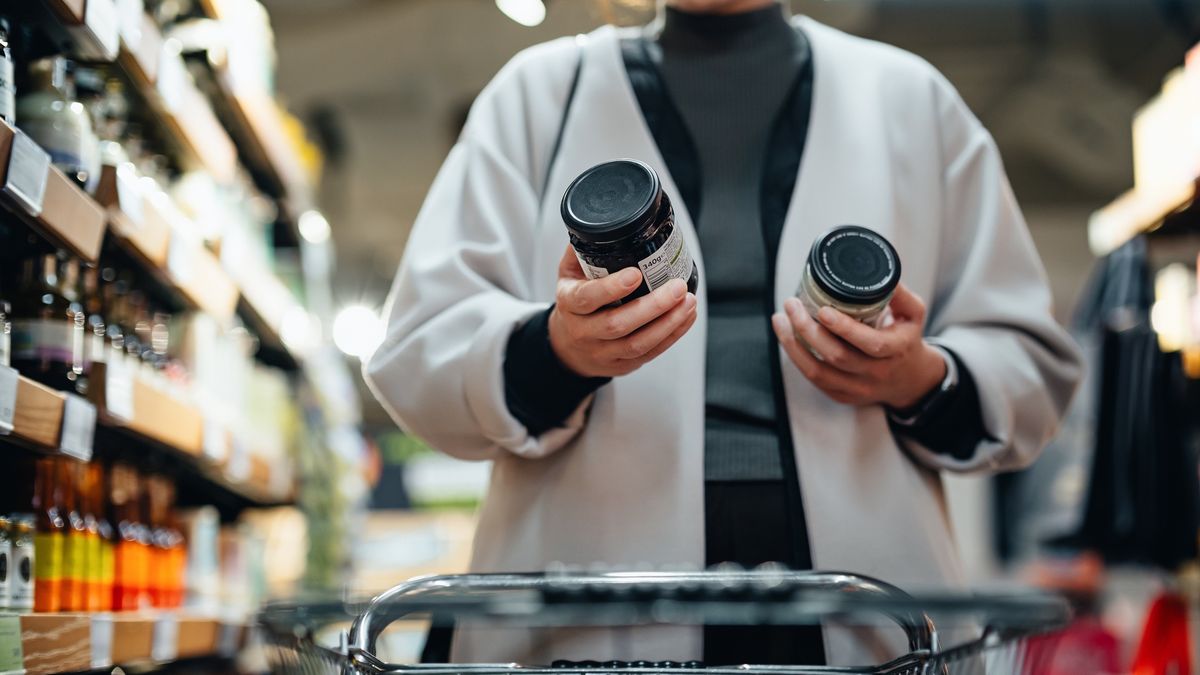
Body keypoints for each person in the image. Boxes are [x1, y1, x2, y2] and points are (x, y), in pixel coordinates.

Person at [365, 0, 1084, 667]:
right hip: (584, 605)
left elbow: (1032, 365)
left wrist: (920, 378)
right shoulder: (536, 95)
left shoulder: (912, 100)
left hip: (870, 613)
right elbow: (417, 347)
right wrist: (554, 352)